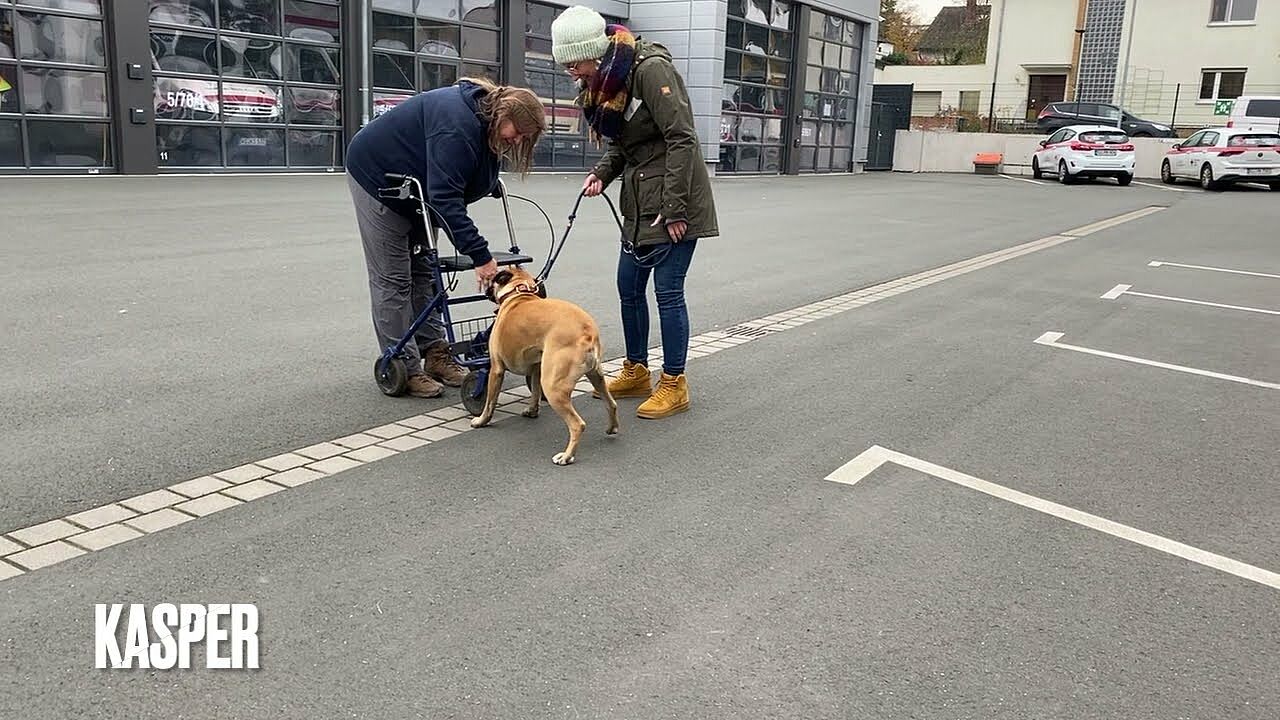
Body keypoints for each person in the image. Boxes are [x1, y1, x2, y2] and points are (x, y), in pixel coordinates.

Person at [551, 6, 719, 420]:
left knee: (667, 292)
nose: (572, 73)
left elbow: (682, 139)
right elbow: (621, 141)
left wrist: (675, 208)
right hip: (640, 201)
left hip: (673, 201)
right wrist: (602, 174)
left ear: (594, 50)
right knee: (628, 285)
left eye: (574, 62)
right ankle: (637, 370)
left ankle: (674, 383)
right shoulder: (608, 81)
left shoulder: (650, 70)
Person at [345, 78, 545, 398]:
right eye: (517, 131)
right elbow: (446, 198)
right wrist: (480, 256)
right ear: (502, 114)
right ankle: (403, 364)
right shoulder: (456, 125)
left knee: (425, 270)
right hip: (377, 178)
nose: (517, 139)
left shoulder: (485, 122)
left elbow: (460, 172)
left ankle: (435, 351)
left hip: (419, 187)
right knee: (395, 278)